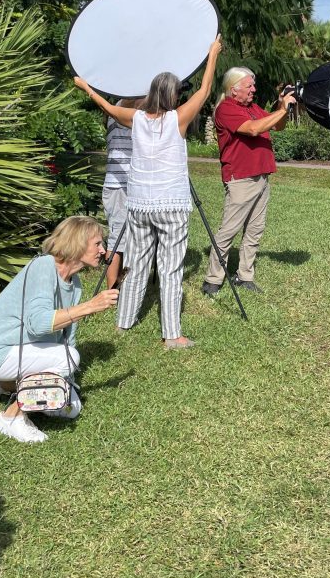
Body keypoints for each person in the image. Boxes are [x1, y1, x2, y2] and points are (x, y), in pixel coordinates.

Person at [74, 35, 222, 349]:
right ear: (172, 95)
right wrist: (212, 55)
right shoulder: (178, 119)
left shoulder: (136, 118)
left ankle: (124, 321)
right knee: (170, 268)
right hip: (171, 206)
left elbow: (107, 107)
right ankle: (172, 335)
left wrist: (87, 87)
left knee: (138, 263)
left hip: (139, 205)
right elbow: (206, 90)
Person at [0, 216, 119, 444]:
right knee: (69, 360)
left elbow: (66, 341)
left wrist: (66, 380)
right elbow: (38, 325)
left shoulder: (75, 284)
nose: (103, 250)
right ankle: (11, 418)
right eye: (97, 243)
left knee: (71, 408)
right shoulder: (44, 266)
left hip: (16, 350)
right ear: (77, 242)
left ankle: (0, 384)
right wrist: (90, 306)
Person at [201, 67, 295, 296]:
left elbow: (277, 125)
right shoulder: (226, 109)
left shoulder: (252, 108)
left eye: (253, 85)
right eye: (249, 85)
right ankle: (212, 279)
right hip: (241, 178)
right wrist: (281, 109)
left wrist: (281, 107)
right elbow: (253, 129)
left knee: (255, 230)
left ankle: (245, 276)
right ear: (233, 89)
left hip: (261, 175)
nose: (254, 89)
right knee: (229, 230)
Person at [101, 97, 143, 288]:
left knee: (130, 239)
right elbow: (129, 102)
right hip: (118, 186)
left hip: (132, 185)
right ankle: (111, 291)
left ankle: (125, 284)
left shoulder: (134, 112)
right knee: (117, 239)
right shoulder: (119, 108)